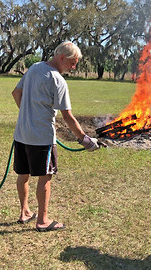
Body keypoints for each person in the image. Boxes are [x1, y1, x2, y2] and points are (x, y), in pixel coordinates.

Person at [11, 41, 101, 232]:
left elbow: (16, 93)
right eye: (73, 62)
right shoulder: (57, 80)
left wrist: (28, 115)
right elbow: (67, 116)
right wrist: (85, 140)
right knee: (45, 177)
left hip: (22, 134)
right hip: (41, 138)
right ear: (62, 57)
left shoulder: (34, 68)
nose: (74, 67)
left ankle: (24, 212)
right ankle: (42, 220)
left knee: (23, 174)